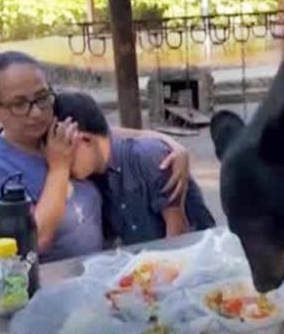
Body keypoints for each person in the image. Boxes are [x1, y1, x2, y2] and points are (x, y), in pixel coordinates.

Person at [0, 51, 190, 261]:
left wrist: (171, 145)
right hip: (47, 284)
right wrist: (59, 169)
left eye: (42, 97)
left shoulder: (55, 129)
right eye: (19, 104)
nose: (37, 113)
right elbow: (34, 241)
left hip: (97, 275)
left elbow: (104, 134)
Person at [54, 91, 215, 245]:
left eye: (64, 150)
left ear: (85, 140)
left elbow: (178, 233)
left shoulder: (149, 157)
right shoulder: (93, 176)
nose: (60, 160)